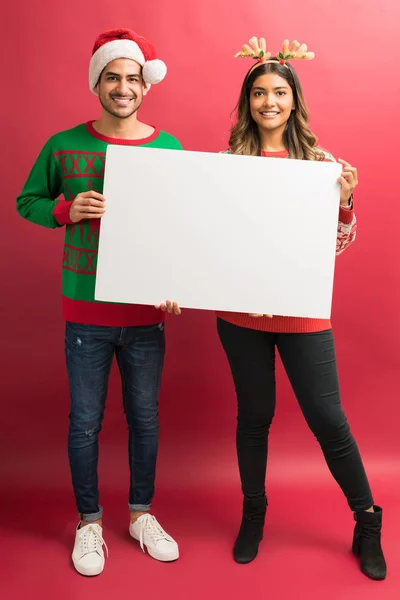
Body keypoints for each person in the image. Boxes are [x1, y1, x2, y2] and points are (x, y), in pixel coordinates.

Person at [215, 37, 386, 580]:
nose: (269, 101)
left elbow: (335, 243)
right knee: (254, 416)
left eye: (279, 92)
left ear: (294, 101)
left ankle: (367, 520)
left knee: (328, 420)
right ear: (248, 102)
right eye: (259, 92)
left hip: (301, 313)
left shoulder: (321, 164)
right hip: (239, 315)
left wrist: (344, 202)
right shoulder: (226, 164)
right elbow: (206, 238)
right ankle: (254, 513)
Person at [16, 28, 182, 577]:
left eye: (133, 78)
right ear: (97, 83)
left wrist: (179, 283)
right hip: (85, 312)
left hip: (145, 315)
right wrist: (66, 212)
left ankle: (140, 514)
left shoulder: (169, 148)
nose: (123, 87)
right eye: (113, 77)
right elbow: (27, 201)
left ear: (145, 87)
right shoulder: (64, 145)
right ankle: (89, 523)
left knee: (146, 419)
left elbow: (185, 229)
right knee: (85, 421)